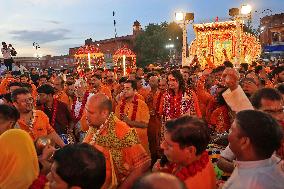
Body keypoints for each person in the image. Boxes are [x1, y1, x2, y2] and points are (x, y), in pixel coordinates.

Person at [83, 93, 151, 189]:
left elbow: (144, 163)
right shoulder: (95, 126)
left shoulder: (122, 129)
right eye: (86, 110)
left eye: (91, 112)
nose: (86, 116)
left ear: (104, 113)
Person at [223, 110, 284, 189]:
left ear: (245, 142)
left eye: (231, 130)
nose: (229, 135)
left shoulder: (244, 185)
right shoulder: (275, 162)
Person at [154, 116, 216, 189]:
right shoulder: (200, 157)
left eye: (169, 145)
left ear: (190, 151)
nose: (162, 146)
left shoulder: (185, 185)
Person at [115, 80, 150, 153]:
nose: (125, 91)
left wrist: (129, 122)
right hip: (124, 143)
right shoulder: (120, 105)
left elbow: (145, 124)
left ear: (134, 91)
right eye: (124, 88)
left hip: (139, 144)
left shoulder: (141, 104)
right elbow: (116, 123)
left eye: (128, 89)